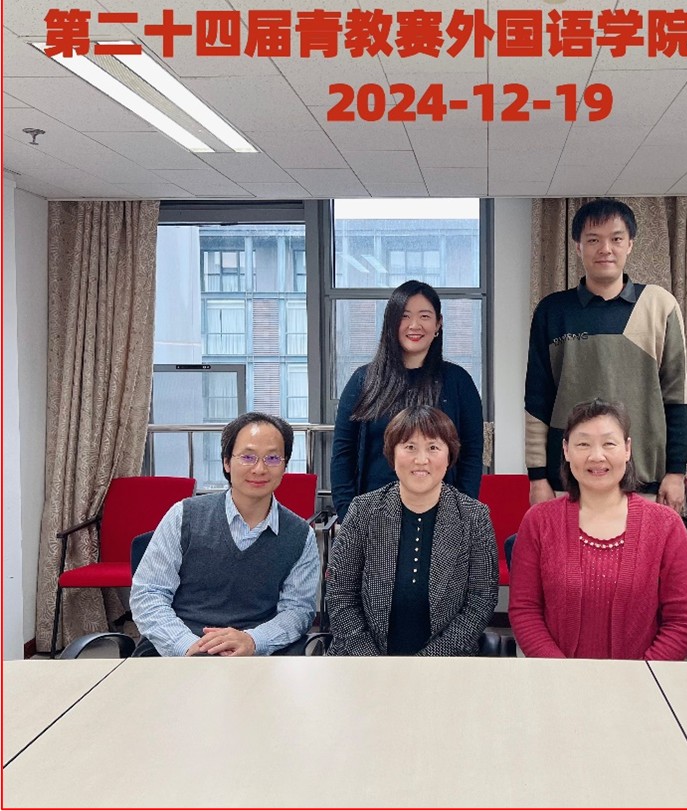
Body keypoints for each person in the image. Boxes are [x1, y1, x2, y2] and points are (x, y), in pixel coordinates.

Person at [525, 198, 687, 512]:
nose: (605, 249)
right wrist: (537, 477)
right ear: (578, 247)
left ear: (630, 244)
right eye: (593, 240)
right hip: (567, 480)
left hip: (646, 477)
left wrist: (675, 473)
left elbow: (676, 397)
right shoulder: (552, 310)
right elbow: (537, 399)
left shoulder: (659, 305)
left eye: (615, 239)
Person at [509, 399, 687, 660]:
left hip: (644, 679)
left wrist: (642, 674)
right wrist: (561, 673)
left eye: (609, 443)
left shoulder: (666, 525)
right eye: (583, 444)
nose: (596, 456)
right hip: (558, 678)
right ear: (566, 450)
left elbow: (683, 620)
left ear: (627, 449)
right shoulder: (539, 521)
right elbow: (525, 610)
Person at [130, 412, 319, 657]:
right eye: (248, 457)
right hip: (178, 650)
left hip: (256, 654)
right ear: (227, 462)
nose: (260, 469)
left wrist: (253, 641)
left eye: (272, 458)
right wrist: (188, 646)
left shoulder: (301, 535)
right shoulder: (183, 516)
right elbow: (149, 593)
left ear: (285, 465)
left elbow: (298, 610)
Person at [326, 406, 498, 656]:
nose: (421, 459)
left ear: (449, 455)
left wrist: (426, 663)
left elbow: (480, 601)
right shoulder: (363, 510)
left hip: (446, 664)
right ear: (392, 453)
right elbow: (340, 593)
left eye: (433, 447)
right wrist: (372, 662)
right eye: (409, 447)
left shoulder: (474, 517)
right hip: (362, 661)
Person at [331, 279, 484, 523]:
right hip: (373, 518)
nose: (414, 325)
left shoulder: (458, 382)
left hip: (441, 518)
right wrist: (349, 516)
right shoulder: (363, 381)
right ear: (391, 323)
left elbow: (471, 455)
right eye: (404, 316)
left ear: (438, 324)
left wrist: (459, 516)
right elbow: (343, 453)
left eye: (425, 316)